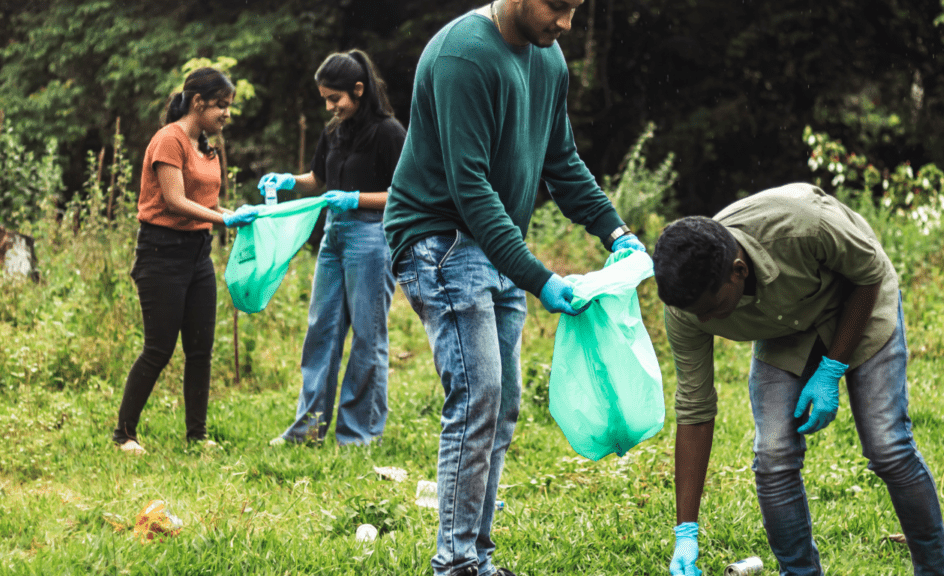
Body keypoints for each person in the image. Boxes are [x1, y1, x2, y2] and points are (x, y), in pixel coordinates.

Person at [382, 1, 645, 575]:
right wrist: (538, 277)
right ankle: (455, 565)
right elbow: (469, 186)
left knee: (502, 406)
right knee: (478, 398)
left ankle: (474, 555)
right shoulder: (463, 56)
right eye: (558, 6)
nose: (567, 24)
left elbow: (562, 160)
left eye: (576, 9)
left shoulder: (548, 60)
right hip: (440, 239)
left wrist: (615, 229)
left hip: (494, 243)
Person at [652, 183, 944, 576]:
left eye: (713, 310)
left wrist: (832, 368)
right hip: (784, 332)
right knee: (773, 454)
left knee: (887, 445)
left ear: (738, 272)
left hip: (857, 299)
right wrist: (685, 531)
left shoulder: (804, 224)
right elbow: (694, 407)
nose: (706, 322)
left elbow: (869, 274)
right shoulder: (687, 310)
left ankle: (936, 571)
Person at [259, 50, 405, 447]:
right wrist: (289, 179)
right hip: (333, 237)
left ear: (358, 90)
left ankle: (357, 433)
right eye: (325, 98)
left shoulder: (389, 132)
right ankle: (308, 429)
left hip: (372, 238)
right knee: (320, 332)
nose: (329, 106)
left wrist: (356, 199)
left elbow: (403, 196)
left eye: (334, 98)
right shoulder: (333, 131)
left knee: (366, 336)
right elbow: (318, 178)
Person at [113, 67, 258, 455]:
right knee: (158, 348)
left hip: (198, 254)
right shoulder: (169, 140)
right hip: (161, 254)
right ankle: (124, 434)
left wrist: (233, 214)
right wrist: (224, 218)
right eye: (221, 106)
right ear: (198, 102)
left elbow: (204, 205)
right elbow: (176, 201)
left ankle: (197, 435)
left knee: (200, 349)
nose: (227, 113)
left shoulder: (206, 146)